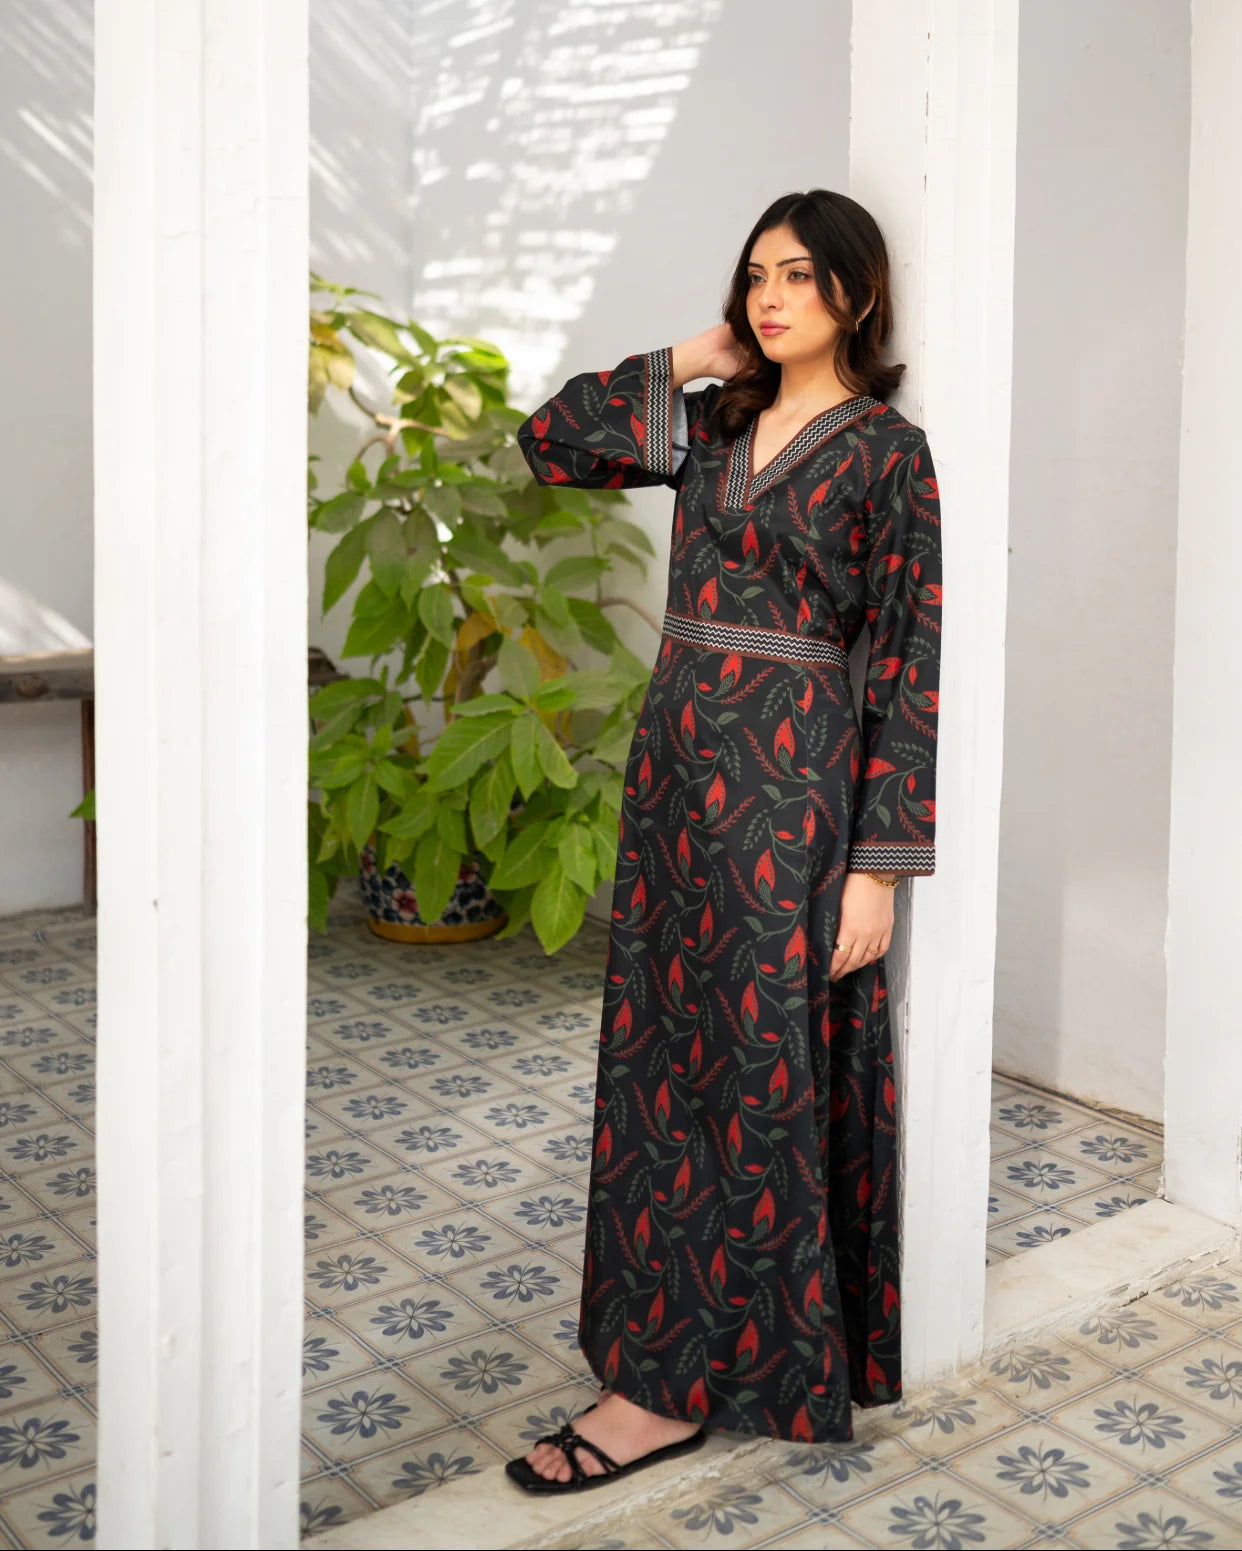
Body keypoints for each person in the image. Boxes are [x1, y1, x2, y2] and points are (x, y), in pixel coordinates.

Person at [505, 189, 942, 1494]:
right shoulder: (710, 426)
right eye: (757, 274)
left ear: (855, 297)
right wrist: (695, 357)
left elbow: (908, 669)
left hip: (789, 802)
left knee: (752, 1085)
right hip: (676, 785)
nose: (771, 296)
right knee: (656, 1076)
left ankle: (681, 1387)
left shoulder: (883, 453)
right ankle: (654, 1358)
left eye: (801, 277)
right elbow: (547, 442)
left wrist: (876, 866)